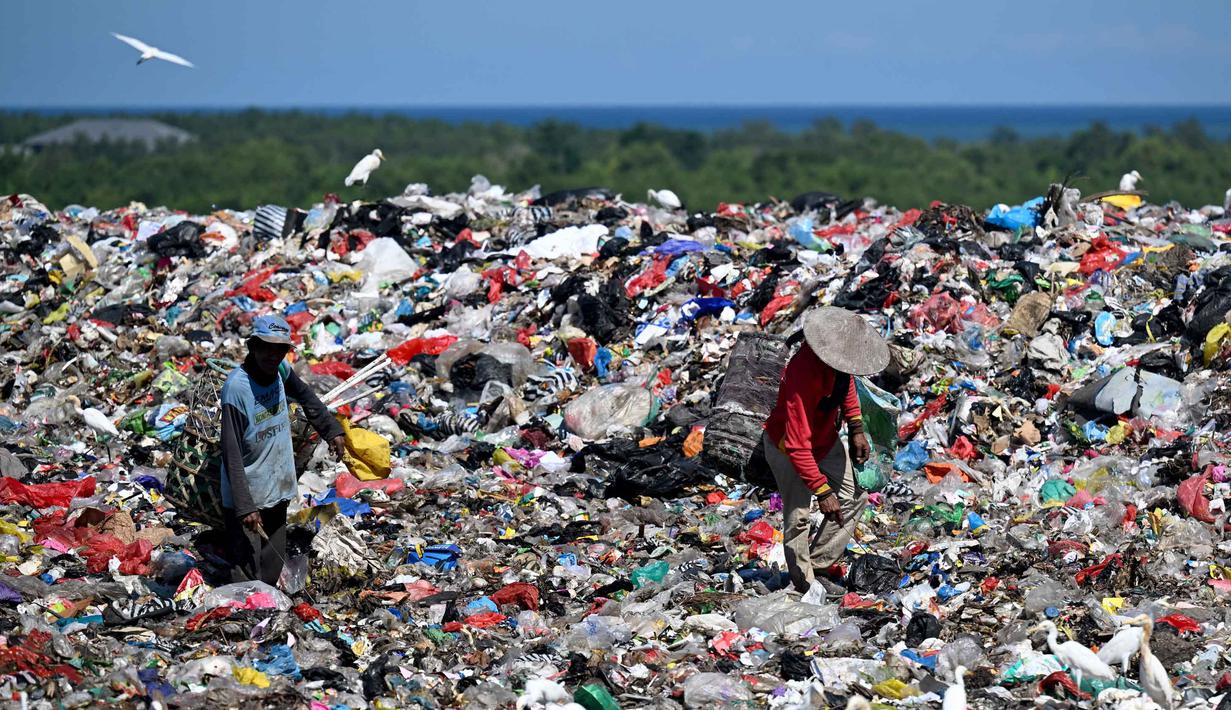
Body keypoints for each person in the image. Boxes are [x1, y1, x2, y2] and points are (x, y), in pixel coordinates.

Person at [762, 307, 890, 592]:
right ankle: (804, 584)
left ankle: (819, 564)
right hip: (787, 446)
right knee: (798, 518)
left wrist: (856, 427)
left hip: (824, 439)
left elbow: (847, 387)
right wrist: (821, 490)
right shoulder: (804, 374)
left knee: (854, 496)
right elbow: (797, 445)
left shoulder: (839, 368)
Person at [220, 314, 347, 585]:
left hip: (276, 485)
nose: (272, 355)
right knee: (245, 572)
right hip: (248, 494)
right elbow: (230, 452)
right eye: (266, 347)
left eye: (280, 349)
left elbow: (305, 395)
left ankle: (266, 618)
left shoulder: (280, 370)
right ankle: (245, 620)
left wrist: (331, 428)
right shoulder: (236, 389)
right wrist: (245, 506)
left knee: (271, 565)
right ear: (253, 346)